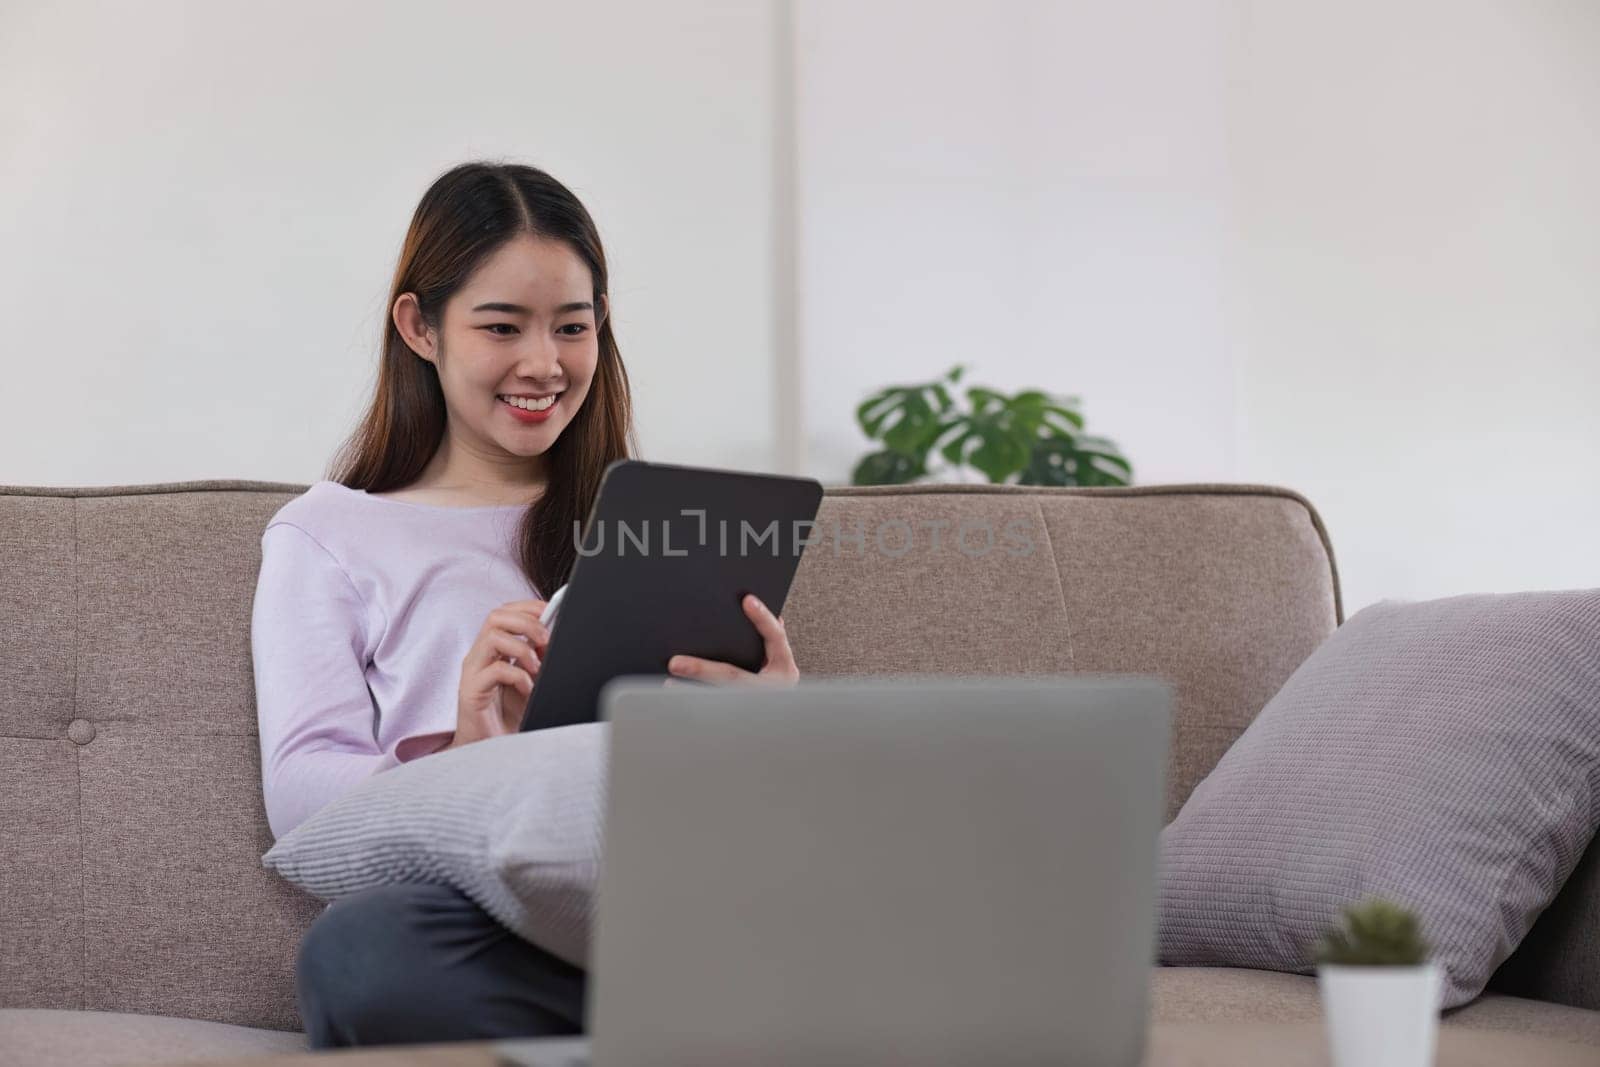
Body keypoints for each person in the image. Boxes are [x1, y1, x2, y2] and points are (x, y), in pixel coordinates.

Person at [250, 161, 801, 1049]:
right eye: (501, 326)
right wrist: (468, 755)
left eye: (572, 327)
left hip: (677, 902)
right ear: (420, 327)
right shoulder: (328, 536)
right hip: (494, 930)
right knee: (358, 954)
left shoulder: (664, 525)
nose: (544, 364)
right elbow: (303, 797)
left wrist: (775, 726)